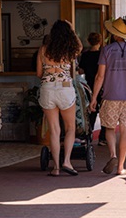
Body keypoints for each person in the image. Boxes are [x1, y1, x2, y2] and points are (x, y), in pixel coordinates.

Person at [90, 18, 126, 175]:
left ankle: (112, 154)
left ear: (114, 34)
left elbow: (99, 76)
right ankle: (120, 167)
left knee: (110, 128)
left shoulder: (106, 50)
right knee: (125, 130)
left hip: (109, 96)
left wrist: (94, 98)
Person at [36, 20, 82, 176]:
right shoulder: (70, 49)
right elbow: (80, 46)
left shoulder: (43, 49)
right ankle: (67, 162)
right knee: (70, 128)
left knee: (54, 130)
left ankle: (55, 168)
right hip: (65, 88)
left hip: (47, 88)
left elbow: (38, 73)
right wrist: (72, 29)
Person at [78, 32, 106, 146]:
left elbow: (81, 71)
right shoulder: (103, 54)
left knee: (91, 112)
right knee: (104, 111)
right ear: (100, 42)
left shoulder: (85, 55)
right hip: (103, 85)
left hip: (89, 85)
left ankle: (88, 136)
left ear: (89, 42)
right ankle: (102, 138)